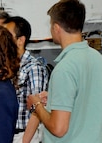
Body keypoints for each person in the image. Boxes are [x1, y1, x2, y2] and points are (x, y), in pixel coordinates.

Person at [27, 0, 102, 142]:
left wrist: (37, 105)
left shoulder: (65, 68)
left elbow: (59, 128)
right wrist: (54, 98)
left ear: (56, 27)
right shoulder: (97, 58)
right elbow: (87, 99)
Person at [3, 16, 49, 143]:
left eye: (7, 35)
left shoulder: (33, 68)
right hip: (8, 133)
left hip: (24, 135)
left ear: (20, 40)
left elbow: (37, 108)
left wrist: (25, 141)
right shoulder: (8, 67)